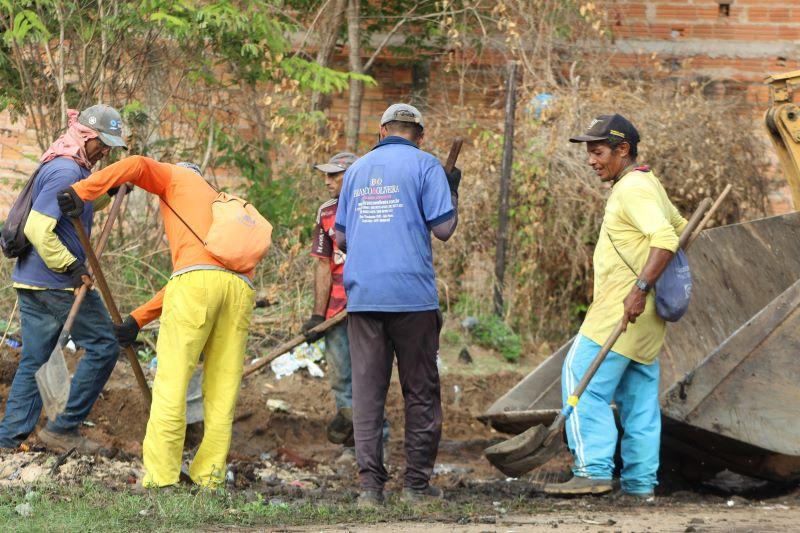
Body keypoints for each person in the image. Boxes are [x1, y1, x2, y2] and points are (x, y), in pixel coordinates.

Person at [56, 156, 257, 488]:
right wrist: (137, 319)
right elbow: (201, 276)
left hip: (197, 288)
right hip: (239, 291)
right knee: (222, 392)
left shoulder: (177, 177)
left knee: (171, 386)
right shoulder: (220, 205)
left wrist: (82, 191)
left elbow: (136, 164)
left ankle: (162, 478)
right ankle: (209, 479)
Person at [543, 114, 687, 500]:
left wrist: (639, 287)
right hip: (647, 320)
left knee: (580, 380)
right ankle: (641, 484)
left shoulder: (632, 190)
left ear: (623, 149)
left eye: (598, 151)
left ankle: (592, 470)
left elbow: (666, 237)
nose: (591, 160)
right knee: (639, 402)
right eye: (589, 152)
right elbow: (682, 225)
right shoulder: (647, 182)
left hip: (621, 309)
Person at [334, 103, 461, 507]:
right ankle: (416, 489)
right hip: (412, 299)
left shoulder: (355, 171)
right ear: (419, 135)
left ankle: (371, 490)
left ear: (382, 131)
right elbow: (444, 229)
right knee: (420, 392)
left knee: (367, 395)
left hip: (364, 297)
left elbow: (341, 240)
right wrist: (451, 188)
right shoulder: (426, 167)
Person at [0, 105, 127, 453]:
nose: (105, 151)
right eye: (102, 143)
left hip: (32, 281)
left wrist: (109, 195)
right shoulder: (65, 170)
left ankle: (8, 441)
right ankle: (63, 427)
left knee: (36, 359)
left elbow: (75, 205)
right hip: (55, 283)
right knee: (104, 345)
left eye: (110, 147)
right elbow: (38, 228)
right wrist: (72, 267)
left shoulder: (67, 165)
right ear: (86, 136)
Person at [303, 152, 389, 468]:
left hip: (370, 307)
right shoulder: (326, 212)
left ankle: (378, 444)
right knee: (342, 379)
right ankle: (353, 447)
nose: (327, 181)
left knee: (370, 377)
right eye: (325, 175)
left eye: (333, 175)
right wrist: (318, 314)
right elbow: (323, 265)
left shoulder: (376, 206)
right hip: (337, 311)